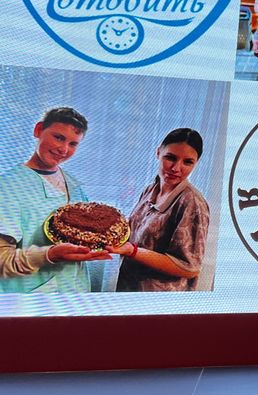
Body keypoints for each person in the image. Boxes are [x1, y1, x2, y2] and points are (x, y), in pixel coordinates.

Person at [0, 107, 110, 292]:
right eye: (58, 137)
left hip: (76, 295)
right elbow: (2, 260)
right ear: (38, 130)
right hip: (32, 300)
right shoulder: (8, 187)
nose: (63, 149)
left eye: (73, 144)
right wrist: (49, 255)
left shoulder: (74, 187)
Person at [108, 128, 210, 291]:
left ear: (196, 163)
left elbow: (189, 268)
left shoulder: (192, 203)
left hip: (159, 298)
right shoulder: (150, 190)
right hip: (129, 290)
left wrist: (132, 251)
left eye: (188, 162)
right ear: (158, 153)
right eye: (170, 158)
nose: (176, 168)